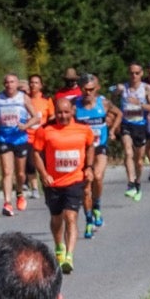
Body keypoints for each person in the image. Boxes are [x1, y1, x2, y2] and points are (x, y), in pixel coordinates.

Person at [29, 98, 94, 274]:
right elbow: (36, 153)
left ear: (72, 111)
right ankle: (59, 247)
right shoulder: (45, 131)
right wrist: (44, 174)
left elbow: (90, 146)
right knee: (57, 218)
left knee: (70, 216)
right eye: (59, 113)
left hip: (75, 179)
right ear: (54, 113)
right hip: (53, 182)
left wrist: (88, 167)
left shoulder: (83, 129)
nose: (62, 116)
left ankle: (69, 256)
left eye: (66, 112)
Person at [72, 75, 119, 239]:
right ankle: (89, 220)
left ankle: (97, 205)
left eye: (91, 89)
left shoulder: (103, 103)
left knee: (97, 177)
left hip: (100, 147)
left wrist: (112, 130)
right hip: (82, 151)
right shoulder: (74, 105)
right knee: (85, 188)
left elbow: (118, 114)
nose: (87, 92)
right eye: (84, 89)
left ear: (97, 89)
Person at [0, 74, 37, 217]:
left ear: (17, 84)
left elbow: (36, 117)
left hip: (20, 138)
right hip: (4, 138)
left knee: (20, 173)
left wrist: (26, 125)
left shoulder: (23, 98)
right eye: (7, 82)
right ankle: (7, 203)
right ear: (4, 84)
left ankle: (20, 193)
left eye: (12, 82)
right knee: (7, 171)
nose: (9, 85)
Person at [117, 63, 150, 200]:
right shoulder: (124, 88)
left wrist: (140, 104)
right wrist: (114, 89)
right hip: (127, 124)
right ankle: (130, 183)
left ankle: (137, 182)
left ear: (142, 73)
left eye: (137, 73)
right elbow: (110, 90)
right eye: (131, 73)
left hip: (141, 125)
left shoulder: (147, 88)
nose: (134, 76)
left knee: (139, 160)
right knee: (127, 151)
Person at [23, 75, 54, 204]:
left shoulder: (47, 100)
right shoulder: (24, 99)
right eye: (31, 82)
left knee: (46, 163)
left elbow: (51, 117)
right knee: (30, 163)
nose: (33, 85)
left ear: (41, 85)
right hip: (28, 136)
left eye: (36, 83)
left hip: (42, 137)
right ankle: (34, 188)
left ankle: (48, 184)